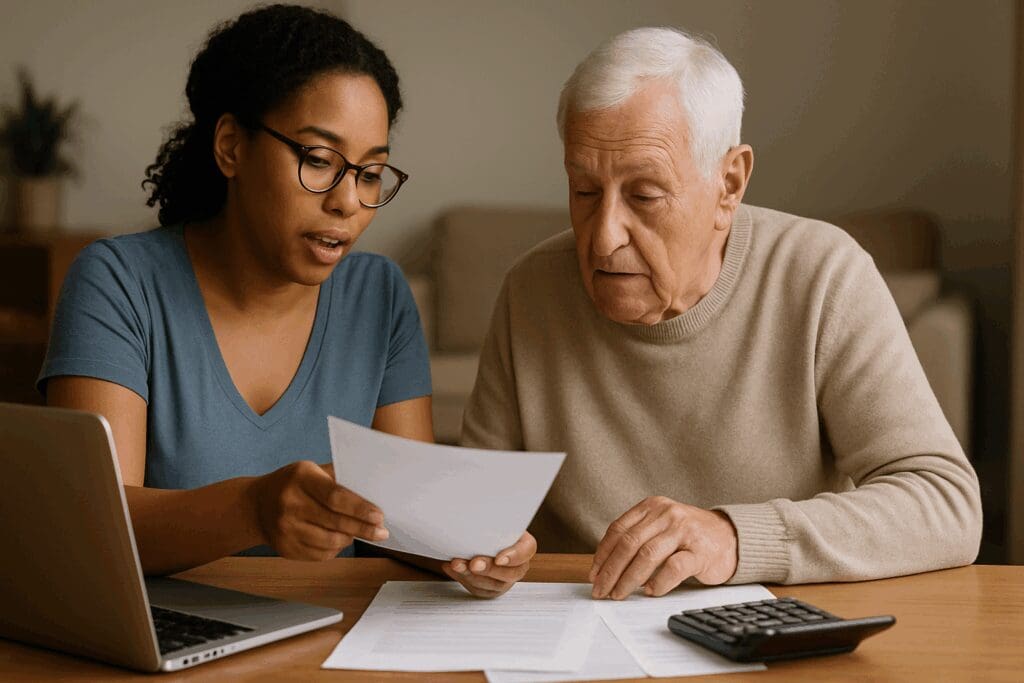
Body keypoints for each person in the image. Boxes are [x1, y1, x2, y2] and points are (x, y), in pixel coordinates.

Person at [462, 27, 982, 599]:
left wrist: (735, 538)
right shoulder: (530, 290)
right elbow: (475, 514)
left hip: (769, 625)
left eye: (644, 195)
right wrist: (477, 550)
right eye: (584, 191)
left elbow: (945, 504)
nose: (604, 237)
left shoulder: (822, 274)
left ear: (729, 184)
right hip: (580, 622)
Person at [40, 4, 533, 598]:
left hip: (330, 633)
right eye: (319, 160)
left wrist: (471, 544)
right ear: (231, 147)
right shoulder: (117, 282)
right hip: (161, 637)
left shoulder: (379, 295)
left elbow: (395, 522)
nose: (348, 202)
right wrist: (253, 507)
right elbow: (92, 526)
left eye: (371, 173)